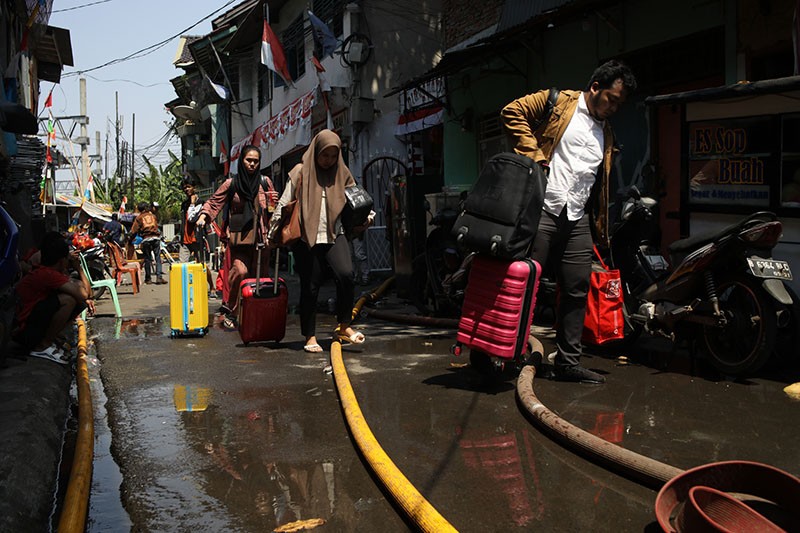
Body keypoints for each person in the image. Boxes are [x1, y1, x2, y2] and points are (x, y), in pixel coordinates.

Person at [501, 59, 637, 384]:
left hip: (576, 216)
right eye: (611, 99)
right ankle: (506, 354)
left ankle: (567, 362)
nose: (614, 108)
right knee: (525, 285)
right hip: (543, 209)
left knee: (577, 287)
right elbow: (511, 111)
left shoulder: (605, 131)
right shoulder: (559, 102)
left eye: (620, 104)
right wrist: (534, 155)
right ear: (594, 87)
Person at [267, 129, 371, 353]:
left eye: (333, 156)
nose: (329, 160)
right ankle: (310, 336)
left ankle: (344, 326)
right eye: (325, 155)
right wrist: (272, 234)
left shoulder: (342, 173)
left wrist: (366, 215)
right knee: (311, 287)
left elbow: (357, 198)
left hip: (335, 234)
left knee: (346, 275)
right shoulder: (300, 171)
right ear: (316, 152)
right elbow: (285, 203)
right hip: (307, 238)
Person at [196, 145, 278, 329]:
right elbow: (214, 202)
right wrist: (203, 216)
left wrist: (275, 205)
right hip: (240, 239)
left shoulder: (264, 182)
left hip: (262, 239)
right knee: (240, 272)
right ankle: (232, 311)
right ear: (241, 161)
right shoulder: (231, 184)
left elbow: (274, 208)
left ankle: (258, 315)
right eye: (249, 160)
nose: (252, 164)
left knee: (261, 279)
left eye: (256, 161)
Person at [14, 232, 91, 364]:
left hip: (27, 326)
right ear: (62, 260)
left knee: (78, 302)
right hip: (24, 330)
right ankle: (43, 346)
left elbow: (87, 294)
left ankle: (50, 339)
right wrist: (79, 268)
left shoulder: (50, 273)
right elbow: (84, 294)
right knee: (69, 301)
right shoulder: (47, 274)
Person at [130, 201, 166, 284]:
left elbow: (133, 231)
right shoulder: (153, 216)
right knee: (157, 258)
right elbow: (156, 226)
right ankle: (159, 277)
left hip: (146, 239)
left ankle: (148, 279)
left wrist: (130, 240)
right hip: (156, 238)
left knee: (147, 259)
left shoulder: (139, 218)